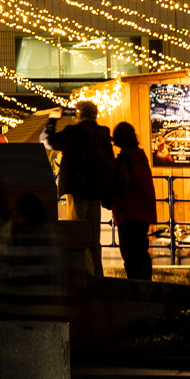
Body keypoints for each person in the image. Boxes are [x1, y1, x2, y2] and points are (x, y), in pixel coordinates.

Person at [43, 100, 116, 277]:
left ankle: (79, 274)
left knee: (77, 233)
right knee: (93, 237)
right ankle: (97, 274)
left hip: (77, 189)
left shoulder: (74, 132)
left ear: (79, 114)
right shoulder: (103, 132)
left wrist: (53, 120)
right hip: (96, 191)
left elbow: (48, 141)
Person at [111, 121, 158, 282]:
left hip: (128, 212)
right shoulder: (141, 157)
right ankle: (146, 284)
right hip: (145, 211)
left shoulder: (124, 160)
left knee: (130, 253)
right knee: (141, 250)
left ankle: (135, 286)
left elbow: (122, 187)